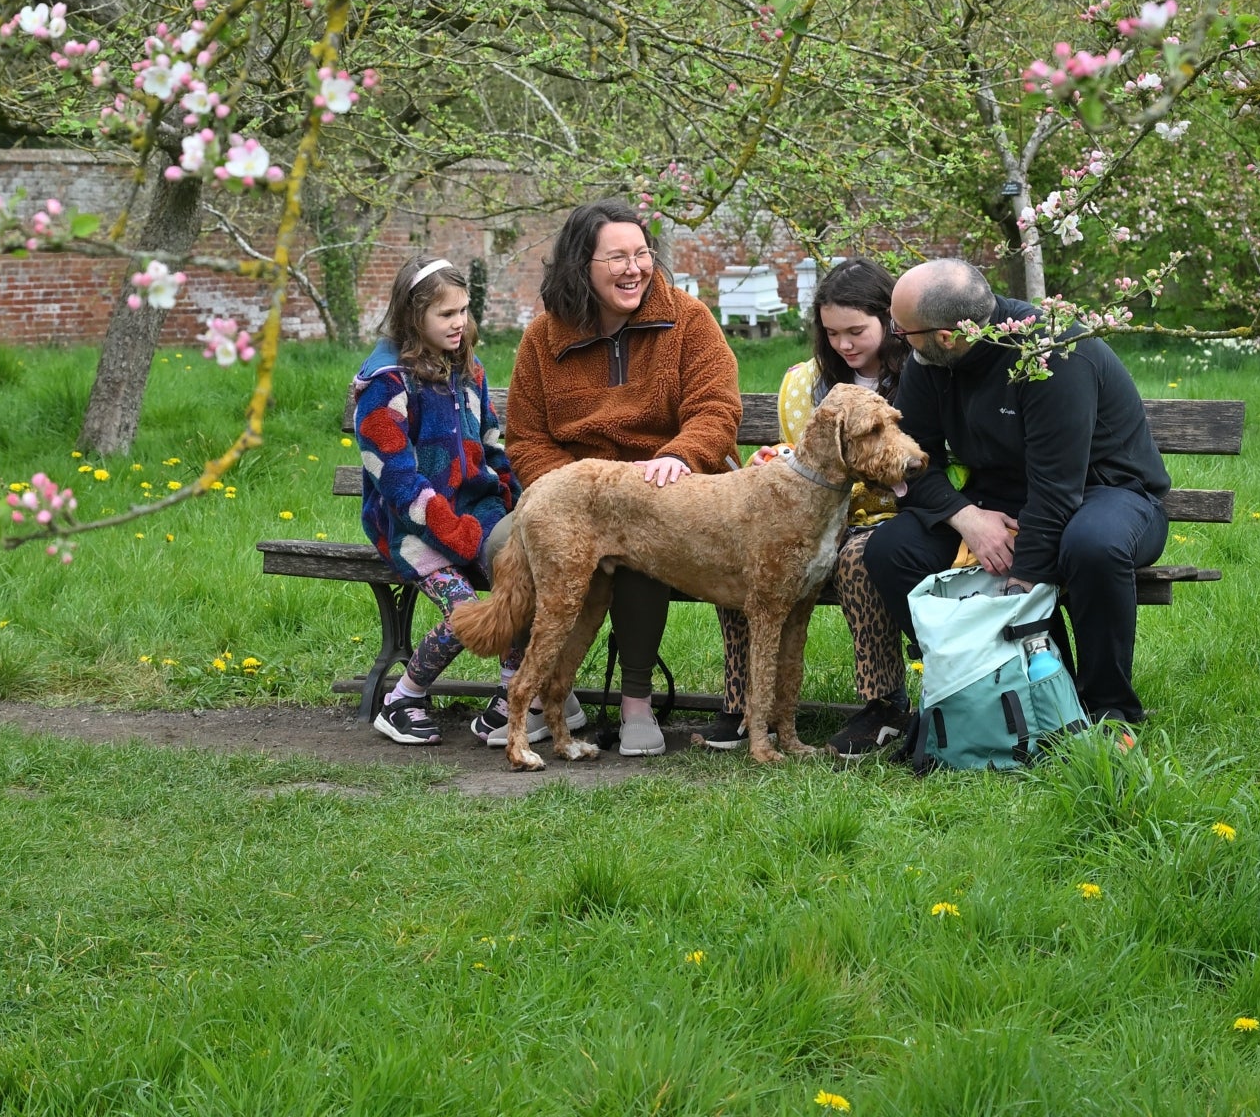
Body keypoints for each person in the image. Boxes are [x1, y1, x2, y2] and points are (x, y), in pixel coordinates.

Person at [863, 256, 1171, 725]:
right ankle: (991, 685)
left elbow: (1057, 488)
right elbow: (911, 459)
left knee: (1092, 544)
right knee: (891, 548)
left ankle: (1108, 709)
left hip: (1108, 493)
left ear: (948, 335)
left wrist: (1020, 580)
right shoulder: (931, 359)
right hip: (1000, 499)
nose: (895, 338)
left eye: (901, 331)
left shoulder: (1052, 354)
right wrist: (967, 518)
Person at [496, 199, 742, 756]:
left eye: (642, 254)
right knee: (503, 542)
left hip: (660, 490)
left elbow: (717, 409)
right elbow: (527, 439)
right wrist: (576, 494)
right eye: (617, 258)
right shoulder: (544, 338)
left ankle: (636, 700)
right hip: (569, 493)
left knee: (647, 548)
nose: (634, 268)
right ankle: (547, 694)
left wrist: (681, 454)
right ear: (581, 266)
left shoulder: (687, 320)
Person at [702, 258, 916, 758]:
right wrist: (776, 457)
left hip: (888, 518)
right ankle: (743, 703)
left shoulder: (917, 378)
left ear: (889, 319)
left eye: (857, 331)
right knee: (748, 557)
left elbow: (914, 460)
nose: (845, 344)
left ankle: (883, 704)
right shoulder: (806, 383)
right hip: (811, 517)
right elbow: (803, 454)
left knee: (858, 561)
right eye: (833, 333)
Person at [353, 258, 518, 745]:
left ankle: (512, 695)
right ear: (413, 316)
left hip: (477, 512)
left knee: (524, 579)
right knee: (465, 609)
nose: (459, 322)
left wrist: (517, 502)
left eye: (464, 310)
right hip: (409, 524)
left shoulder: (467, 368)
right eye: (446, 314)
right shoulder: (387, 382)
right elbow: (397, 478)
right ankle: (403, 697)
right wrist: (448, 529)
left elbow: (492, 444)